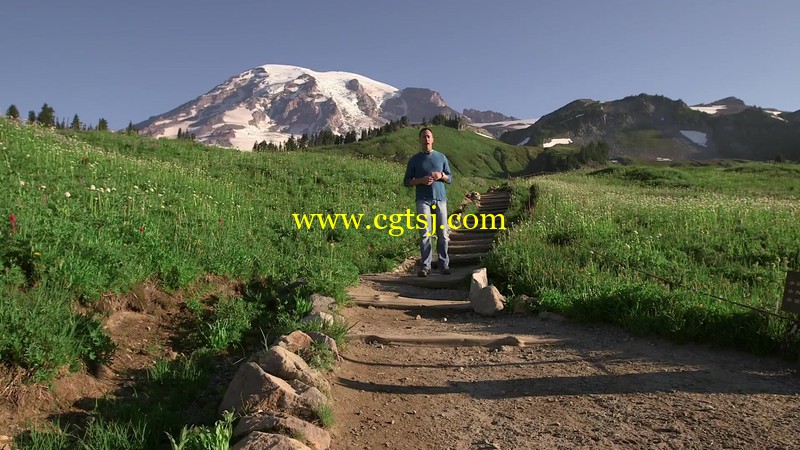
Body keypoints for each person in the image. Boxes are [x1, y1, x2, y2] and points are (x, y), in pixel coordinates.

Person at [403, 127, 453, 277]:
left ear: (432, 139)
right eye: (423, 137)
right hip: (422, 200)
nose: (426, 139)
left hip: (440, 199)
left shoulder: (441, 157)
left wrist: (441, 175)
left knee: (443, 233)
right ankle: (426, 266)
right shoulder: (414, 160)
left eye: (428, 136)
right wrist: (420, 180)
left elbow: (450, 179)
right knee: (425, 233)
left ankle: (444, 264)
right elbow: (406, 182)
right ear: (420, 140)